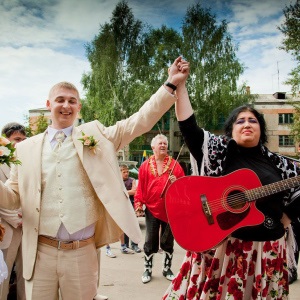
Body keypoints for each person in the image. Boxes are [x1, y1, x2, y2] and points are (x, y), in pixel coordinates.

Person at [0, 56, 190, 300]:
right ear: (48, 104)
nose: (66, 105)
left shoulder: (96, 136)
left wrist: (170, 84)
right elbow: (13, 197)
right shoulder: (24, 149)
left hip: (82, 252)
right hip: (39, 252)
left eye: (72, 101)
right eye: (60, 100)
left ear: (79, 107)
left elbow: (138, 122)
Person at [162, 80, 300, 299]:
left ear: (261, 129)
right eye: (240, 121)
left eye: (253, 120)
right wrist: (180, 86)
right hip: (224, 251)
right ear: (231, 129)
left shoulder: (280, 164)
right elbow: (188, 127)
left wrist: (285, 219)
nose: (247, 124)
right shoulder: (217, 152)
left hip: (266, 253)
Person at [135, 134, 185, 284]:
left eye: (165, 143)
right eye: (160, 143)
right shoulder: (144, 166)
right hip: (151, 208)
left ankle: (167, 268)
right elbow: (140, 189)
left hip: (170, 210)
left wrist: (176, 182)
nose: (163, 145)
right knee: (150, 240)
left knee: (168, 241)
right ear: (153, 147)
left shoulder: (175, 165)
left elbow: (183, 188)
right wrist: (138, 204)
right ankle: (148, 269)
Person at [0, 122, 26, 300]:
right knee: (4, 277)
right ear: (5, 141)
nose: (21, 144)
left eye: (24, 140)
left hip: (28, 228)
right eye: (17, 139)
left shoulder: (26, 163)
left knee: (27, 275)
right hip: (6, 229)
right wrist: (18, 219)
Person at [120, 164, 141, 253]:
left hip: (131, 205)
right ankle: (125, 245)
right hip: (122, 206)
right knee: (125, 226)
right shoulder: (117, 181)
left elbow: (134, 191)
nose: (126, 173)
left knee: (133, 226)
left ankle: (134, 245)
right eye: (124, 172)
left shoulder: (132, 180)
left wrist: (123, 192)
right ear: (119, 172)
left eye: (127, 171)